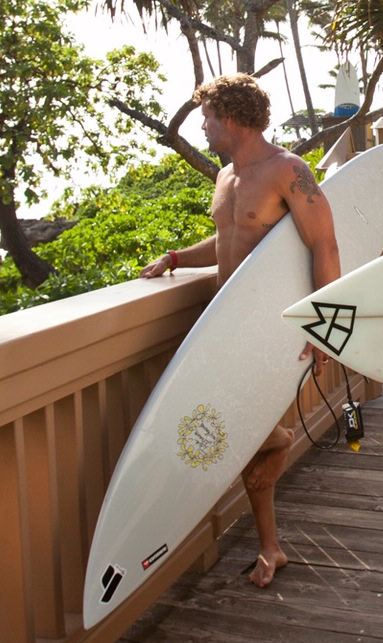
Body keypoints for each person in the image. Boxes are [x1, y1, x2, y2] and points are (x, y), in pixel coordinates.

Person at [140, 74, 339, 588]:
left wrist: (324, 328)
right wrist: (178, 257)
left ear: (229, 118)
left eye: (206, 118)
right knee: (239, 433)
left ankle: (271, 528)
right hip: (223, 325)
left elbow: (326, 246)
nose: (203, 128)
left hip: (268, 326)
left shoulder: (288, 170)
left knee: (238, 431)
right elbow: (229, 237)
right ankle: (271, 537)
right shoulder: (226, 177)